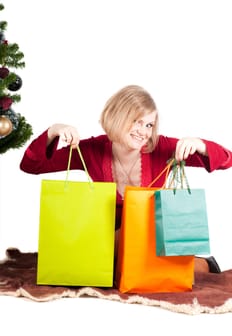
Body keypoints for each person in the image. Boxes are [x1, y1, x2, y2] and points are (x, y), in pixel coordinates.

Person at [20, 85, 232, 274]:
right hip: (106, 243)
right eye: (137, 122)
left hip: (149, 243)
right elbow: (31, 165)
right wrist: (54, 131)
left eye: (149, 125)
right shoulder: (92, 150)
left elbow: (227, 160)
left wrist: (199, 144)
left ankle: (192, 265)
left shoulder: (163, 148)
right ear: (118, 117)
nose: (143, 132)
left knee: (147, 233)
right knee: (109, 242)